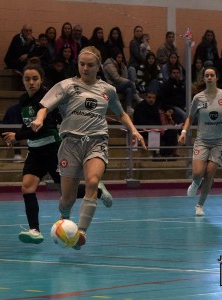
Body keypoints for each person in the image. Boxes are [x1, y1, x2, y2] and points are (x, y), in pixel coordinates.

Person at [30, 46, 147, 250]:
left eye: (90, 65)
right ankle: (64, 220)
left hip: (96, 141)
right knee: (67, 199)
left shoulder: (107, 90)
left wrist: (134, 131)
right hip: (70, 145)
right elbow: (45, 106)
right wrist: (39, 119)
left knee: (92, 181)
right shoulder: (67, 86)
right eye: (82, 64)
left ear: (98, 66)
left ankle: (81, 233)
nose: (85, 68)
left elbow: (121, 114)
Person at [2, 62, 113, 245]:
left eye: (35, 79)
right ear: (22, 80)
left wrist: (18, 136)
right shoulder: (23, 101)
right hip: (34, 150)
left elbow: (41, 126)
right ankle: (35, 230)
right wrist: (12, 136)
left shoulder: (47, 99)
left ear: (41, 80)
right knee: (27, 187)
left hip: (53, 149)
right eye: (27, 79)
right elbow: (26, 126)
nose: (31, 82)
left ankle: (97, 191)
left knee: (67, 193)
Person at [178, 67, 222, 216]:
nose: (210, 77)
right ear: (204, 79)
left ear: (216, 78)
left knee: (209, 173)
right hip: (202, 140)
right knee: (198, 173)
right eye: (207, 75)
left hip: (220, 141)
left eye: (212, 75)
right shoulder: (198, 98)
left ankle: (200, 205)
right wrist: (184, 132)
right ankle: (195, 182)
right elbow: (190, 117)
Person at [102, 49, 142, 114]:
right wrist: (128, 81)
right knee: (130, 83)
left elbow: (124, 77)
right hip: (111, 86)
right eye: (118, 57)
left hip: (118, 84)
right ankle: (138, 99)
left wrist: (124, 68)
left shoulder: (119, 64)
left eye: (121, 57)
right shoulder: (109, 64)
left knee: (129, 90)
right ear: (114, 57)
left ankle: (129, 108)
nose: (120, 59)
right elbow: (116, 78)